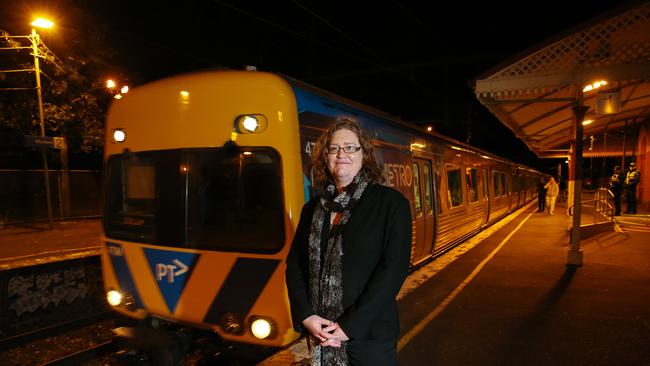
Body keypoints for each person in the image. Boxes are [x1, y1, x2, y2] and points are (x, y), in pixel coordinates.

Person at [285, 119, 412, 366]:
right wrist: (306, 316)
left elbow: (393, 270)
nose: (341, 154)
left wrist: (349, 326)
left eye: (350, 147)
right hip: (321, 332)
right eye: (334, 148)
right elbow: (295, 266)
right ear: (325, 157)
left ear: (364, 154)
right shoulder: (312, 209)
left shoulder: (391, 204)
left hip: (371, 337)